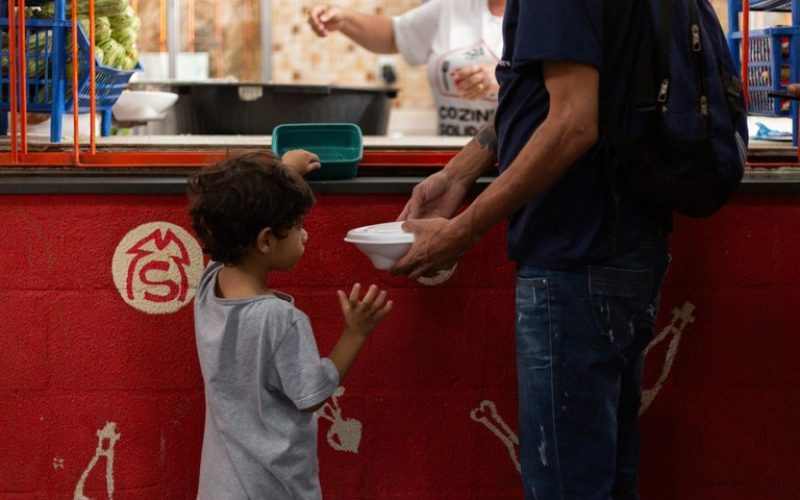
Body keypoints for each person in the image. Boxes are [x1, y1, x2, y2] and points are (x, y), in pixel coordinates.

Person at [391, 0, 671, 497]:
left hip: (576, 254)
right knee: (604, 473)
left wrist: (466, 229)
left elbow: (572, 123)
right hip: (621, 243)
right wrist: (459, 174)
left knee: (567, 483)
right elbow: (541, 99)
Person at [187, 151, 393, 499]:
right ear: (266, 241)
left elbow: (234, 213)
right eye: (298, 227)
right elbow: (311, 395)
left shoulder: (209, 286)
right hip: (274, 487)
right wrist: (356, 333)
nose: (306, 236)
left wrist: (283, 174)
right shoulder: (281, 320)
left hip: (221, 486)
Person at [307, 0, 505, 136]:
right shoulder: (451, 6)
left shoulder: (532, 14)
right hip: (453, 155)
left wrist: (505, 77)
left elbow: (535, 79)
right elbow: (395, 35)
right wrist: (345, 19)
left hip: (508, 158)